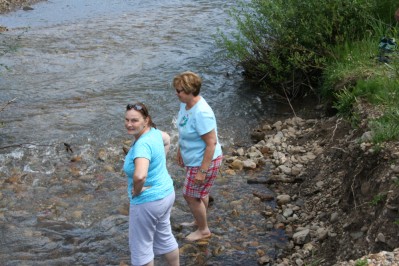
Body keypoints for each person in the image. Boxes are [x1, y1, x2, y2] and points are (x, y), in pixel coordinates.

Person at [123, 102, 179, 266]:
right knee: (165, 236)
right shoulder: (154, 133)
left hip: (148, 201)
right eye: (126, 120)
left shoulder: (142, 144)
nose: (129, 124)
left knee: (141, 249)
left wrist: (137, 190)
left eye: (134, 120)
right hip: (166, 194)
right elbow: (167, 139)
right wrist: (159, 165)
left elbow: (140, 176)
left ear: (145, 120)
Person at [172, 71, 223, 242]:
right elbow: (184, 129)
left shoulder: (202, 112)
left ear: (190, 90)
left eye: (179, 90)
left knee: (189, 194)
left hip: (204, 160)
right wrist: (180, 149)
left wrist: (202, 171)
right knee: (200, 193)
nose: (177, 93)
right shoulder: (185, 105)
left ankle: (203, 230)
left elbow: (211, 143)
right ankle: (198, 220)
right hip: (193, 158)